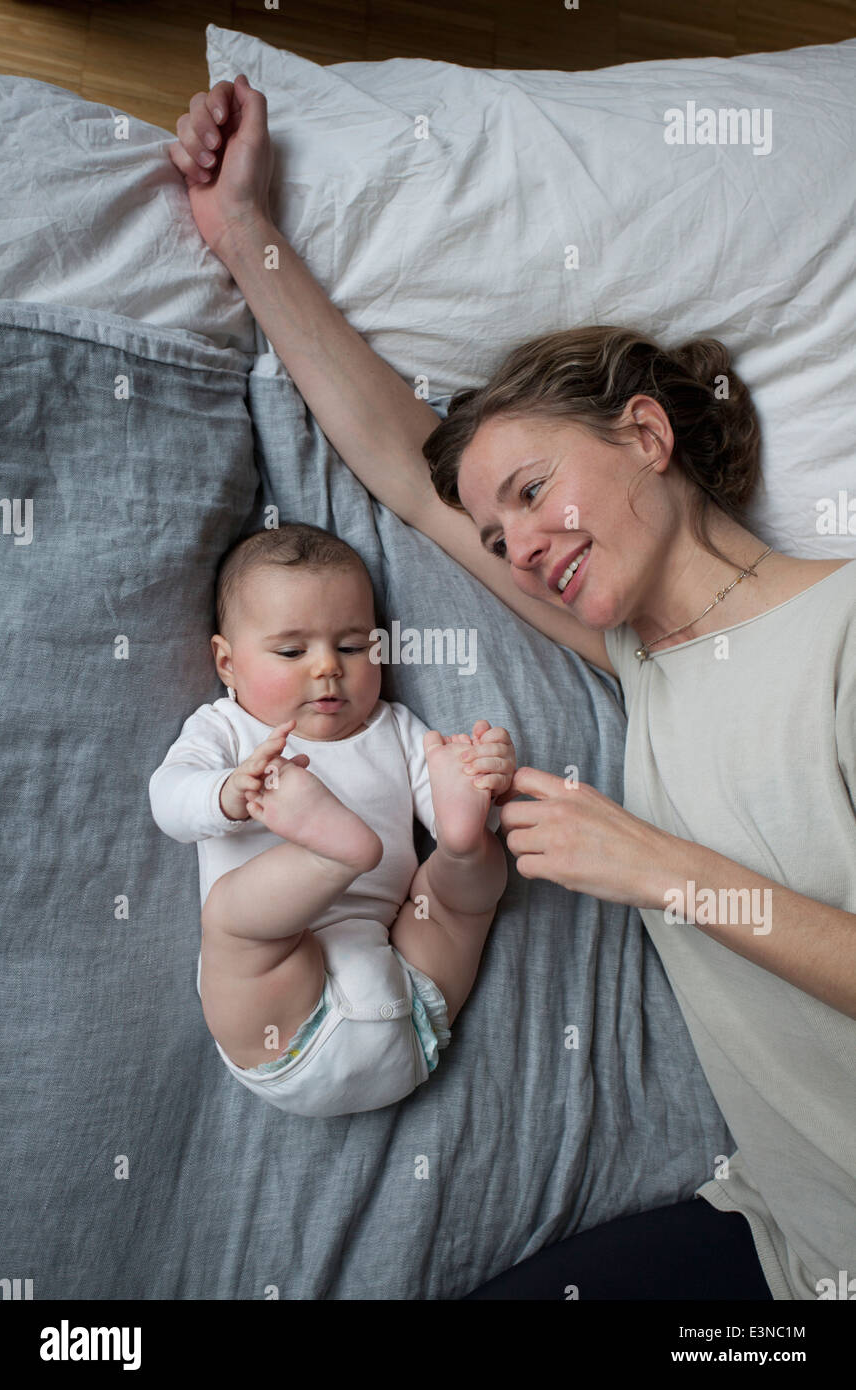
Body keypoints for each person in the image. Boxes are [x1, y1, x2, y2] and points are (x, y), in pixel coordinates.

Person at [167, 75, 856, 1297]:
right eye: (496, 541)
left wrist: (654, 869)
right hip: (789, 1249)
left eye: (532, 492)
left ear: (647, 435)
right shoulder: (647, 664)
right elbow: (394, 456)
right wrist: (240, 229)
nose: (519, 547)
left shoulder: (838, 630)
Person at [149, 522, 514, 1118]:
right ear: (227, 662)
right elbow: (167, 798)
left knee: (462, 889)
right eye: (292, 651)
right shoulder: (226, 730)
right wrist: (224, 793)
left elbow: (447, 793)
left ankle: (454, 847)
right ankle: (333, 855)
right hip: (283, 1015)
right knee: (236, 923)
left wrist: (478, 792)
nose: (327, 668)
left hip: (408, 997)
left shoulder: (395, 727)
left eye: (352, 646)